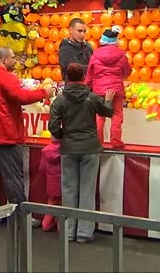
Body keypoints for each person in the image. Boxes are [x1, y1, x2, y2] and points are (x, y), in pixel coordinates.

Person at [0, 46, 52, 220]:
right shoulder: (6, 77)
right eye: (13, 58)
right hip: (5, 135)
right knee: (12, 177)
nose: (16, 61)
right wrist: (44, 92)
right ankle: (20, 215)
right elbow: (22, 97)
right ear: (4, 60)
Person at [48, 62, 114, 243]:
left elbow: (52, 126)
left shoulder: (59, 100)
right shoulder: (92, 98)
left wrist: (64, 136)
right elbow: (108, 111)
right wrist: (108, 99)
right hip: (90, 148)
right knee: (87, 190)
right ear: (84, 77)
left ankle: (69, 232)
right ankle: (84, 233)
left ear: (67, 77)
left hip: (69, 149)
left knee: (68, 190)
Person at [85, 26, 131, 149]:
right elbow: (126, 72)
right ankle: (116, 141)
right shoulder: (122, 55)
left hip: (99, 90)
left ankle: (98, 142)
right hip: (116, 90)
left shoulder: (95, 55)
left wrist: (85, 87)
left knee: (100, 117)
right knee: (116, 115)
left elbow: (90, 74)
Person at [39, 138, 62, 232]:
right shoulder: (63, 151)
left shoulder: (45, 151)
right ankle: (61, 227)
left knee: (52, 204)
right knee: (63, 206)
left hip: (51, 183)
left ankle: (46, 224)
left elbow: (42, 168)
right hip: (62, 183)